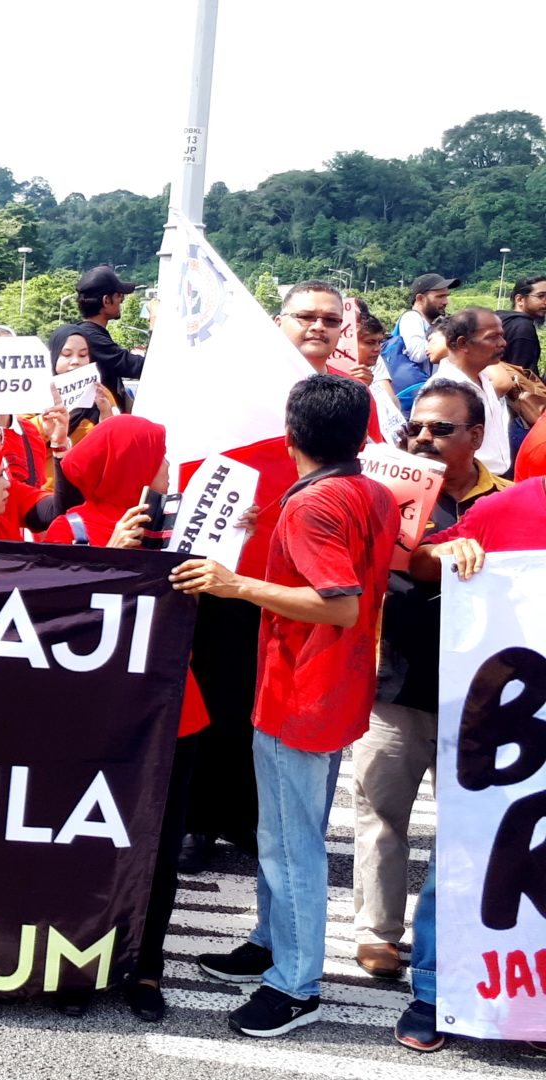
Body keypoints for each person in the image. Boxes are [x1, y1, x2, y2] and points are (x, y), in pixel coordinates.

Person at [179, 375, 398, 1039]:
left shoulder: (314, 505)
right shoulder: (370, 491)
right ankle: (272, 945)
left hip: (301, 692)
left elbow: (340, 601)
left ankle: (294, 984)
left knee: (289, 844)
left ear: (291, 430)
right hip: (337, 688)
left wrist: (234, 582)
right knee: (286, 834)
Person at [39, 416, 205, 1022]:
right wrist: (112, 562)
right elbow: (43, 618)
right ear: (133, 466)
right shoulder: (70, 528)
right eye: (160, 456)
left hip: (171, 714)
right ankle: (76, 962)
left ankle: (147, 967)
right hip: (92, 717)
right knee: (86, 843)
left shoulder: (181, 526)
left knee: (157, 848)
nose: (168, 468)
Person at [350, 380, 506, 980]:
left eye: (442, 429)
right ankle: (375, 933)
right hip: (394, 683)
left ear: (476, 436)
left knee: (466, 825)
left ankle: (450, 940)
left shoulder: (510, 499)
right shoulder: (385, 492)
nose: (425, 438)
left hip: (480, 694)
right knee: (380, 814)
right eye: (418, 427)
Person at [395, 465, 546, 1051]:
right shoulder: (511, 505)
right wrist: (449, 548)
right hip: (507, 731)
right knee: (469, 852)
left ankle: (532, 1001)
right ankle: (434, 993)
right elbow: (421, 561)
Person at [430, 307, 521, 476]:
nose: (502, 343)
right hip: (471, 488)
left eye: (501, 335)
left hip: (494, 480)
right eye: (493, 337)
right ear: (463, 343)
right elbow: (437, 454)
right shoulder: (443, 392)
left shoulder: (483, 379)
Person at [72, 266, 145, 410]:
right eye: (119, 296)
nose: (121, 301)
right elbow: (142, 368)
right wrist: (155, 323)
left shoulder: (89, 333)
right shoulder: (93, 339)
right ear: (106, 300)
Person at [46, 326, 118, 444]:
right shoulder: (35, 395)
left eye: (83, 355)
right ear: (53, 356)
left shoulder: (102, 394)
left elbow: (113, 441)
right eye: (67, 354)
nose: (75, 361)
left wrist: (106, 413)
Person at [391, 273, 457, 389]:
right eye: (440, 296)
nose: (446, 301)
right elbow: (417, 353)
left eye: (446, 296)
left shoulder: (430, 324)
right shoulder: (411, 318)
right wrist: (450, 343)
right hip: (411, 394)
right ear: (420, 298)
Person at [497, 275, 546, 375]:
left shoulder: (499, 318)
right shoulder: (523, 327)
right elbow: (524, 376)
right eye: (541, 296)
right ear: (520, 300)